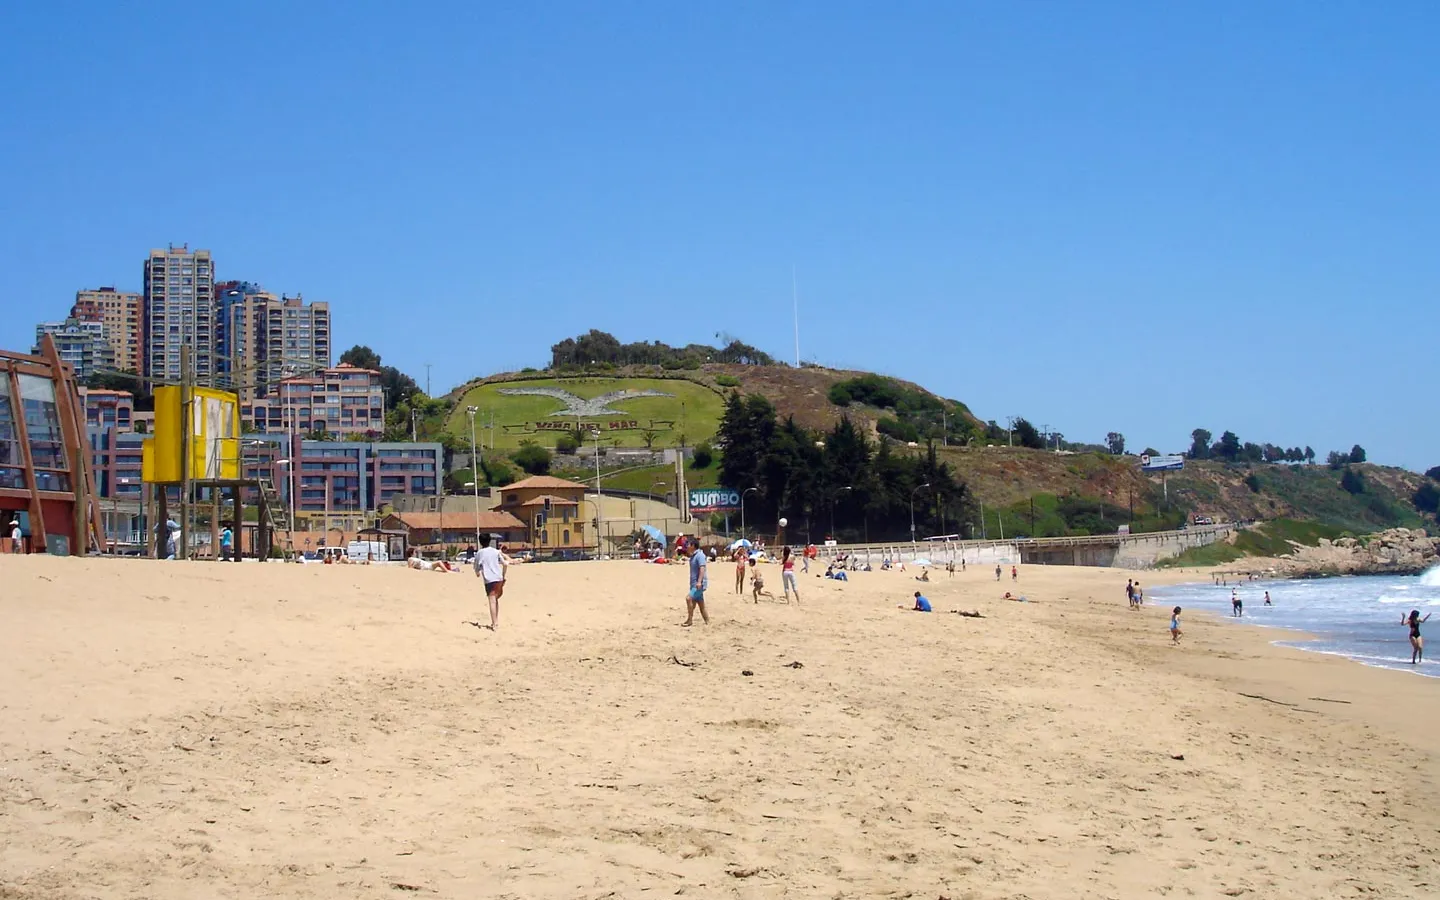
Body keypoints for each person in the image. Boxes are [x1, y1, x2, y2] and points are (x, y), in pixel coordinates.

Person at [472, 534, 508, 631]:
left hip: (489, 579)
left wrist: (477, 573)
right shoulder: (496, 551)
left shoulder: (480, 553)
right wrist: (504, 576)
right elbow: (505, 563)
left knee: (492, 600)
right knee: (495, 600)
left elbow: (476, 567)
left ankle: (495, 624)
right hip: (499, 578)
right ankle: (496, 620)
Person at [683, 540, 709, 626]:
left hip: (698, 584)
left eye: (688, 545)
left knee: (688, 598)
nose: (687, 546)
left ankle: (690, 620)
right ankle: (707, 621)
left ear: (693, 545)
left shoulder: (700, 555)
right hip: (694, 583)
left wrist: (699, 582)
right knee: (700, 604)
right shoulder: (693, 556)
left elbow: (702, 568)